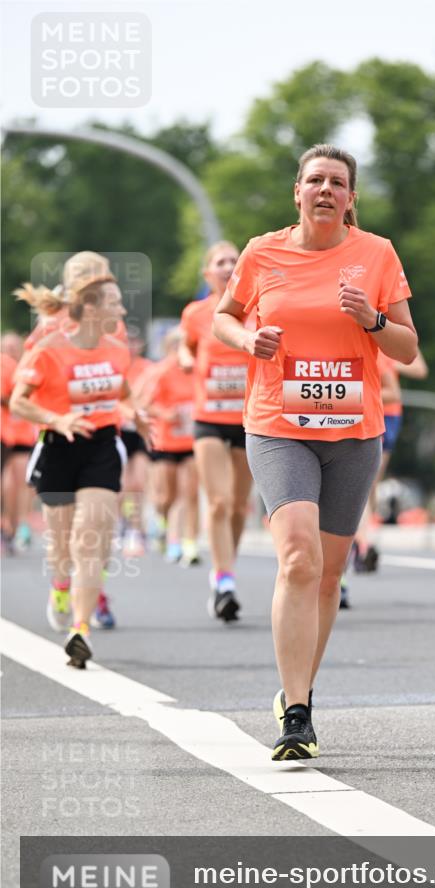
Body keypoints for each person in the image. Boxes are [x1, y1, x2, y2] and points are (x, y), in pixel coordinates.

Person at [214, 143, 418, 760]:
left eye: (337, 182)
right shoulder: (262, 252)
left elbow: (407, 348)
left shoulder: (377, 254)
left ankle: (298, 688)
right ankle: (297, 714)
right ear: (297, 192)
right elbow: (224, 317)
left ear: (351, 198)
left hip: (353, 432)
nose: (325, 189)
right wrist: (248, 339)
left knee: (329, 574)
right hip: (279, 424)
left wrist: (373, 320)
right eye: (315, 180)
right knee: (299, 558)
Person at [10, 275, 150, 668]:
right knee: (61, 545)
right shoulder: (48, 349)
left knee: (90, 539)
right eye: (114, 303)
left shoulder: (116, 348)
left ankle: (80, 630)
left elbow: (122, 392)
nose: (122, 310)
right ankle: (60, 587)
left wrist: (135, 414)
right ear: (90, 308)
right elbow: (19, 402)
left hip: (101, 447)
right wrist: (56, 419)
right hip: (59, 446)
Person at [179, 242, 254, 621]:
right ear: (207, 274)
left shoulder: (256, 309)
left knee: (239, 505)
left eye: (233, 261)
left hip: (249, 418)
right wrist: (186, 360)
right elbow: (186, 347)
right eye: (219, 262)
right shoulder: (195, 313)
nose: (227, 267)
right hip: (208, 416)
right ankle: (224, 581)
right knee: (219, 501)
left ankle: (226, 569)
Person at [351, 347, 428, 577]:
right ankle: (362, 539)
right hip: (358, 411)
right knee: (365, 484)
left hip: (385, 414)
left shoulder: (386, 339)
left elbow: (419, 369)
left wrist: (390, 360)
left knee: (367, 483)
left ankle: (363, 540)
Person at [139, 327, 199, 566]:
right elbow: (143, 404)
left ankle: (186, 544)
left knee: (190, 494)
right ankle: (161, 522)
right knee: (166, 497)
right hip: (165, 442)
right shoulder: (161, 372)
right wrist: (165, 413)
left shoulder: (197, 370)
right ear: (172, 348)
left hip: (191, 441)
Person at [1, 333, 38, 551]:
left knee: (23, 481)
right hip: (6, 432)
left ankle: (20, 524)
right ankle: (8, 525)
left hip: (23, 434)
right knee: (7, 481)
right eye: (7, 347)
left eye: (15, 346)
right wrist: (17, 401)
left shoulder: (28, 367)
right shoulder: (4, 366)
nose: (11, 350)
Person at [119, 331, 153, 557]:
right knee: (121, 484)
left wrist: (142, 406)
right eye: (127, 342)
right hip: (119, 429)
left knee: (138, 483)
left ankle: (136, 528)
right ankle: (122, 524)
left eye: (134, 342)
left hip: (139, 430)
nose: (131, 346)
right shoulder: (116, 366)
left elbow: (152, 396)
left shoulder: (148, 368)